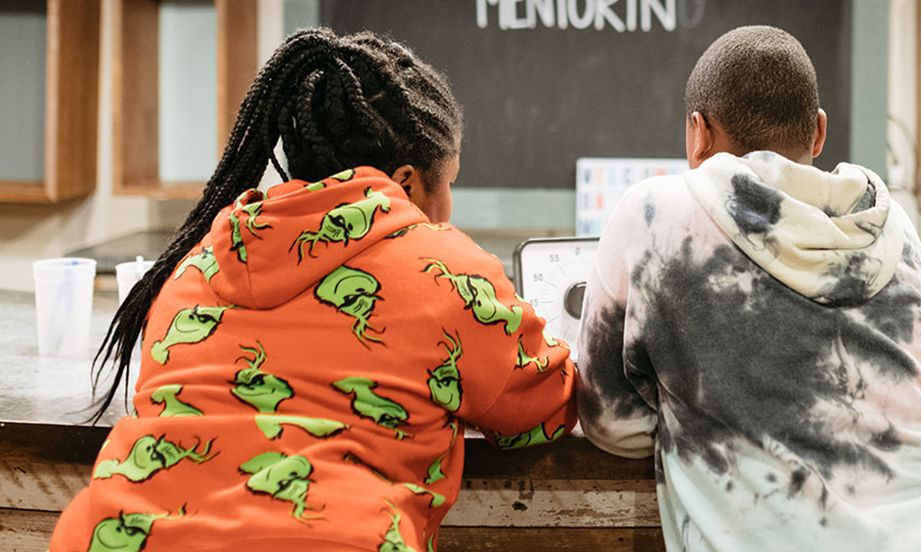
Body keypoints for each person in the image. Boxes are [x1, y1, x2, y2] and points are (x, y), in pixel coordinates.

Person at [52, 28, 575, 552]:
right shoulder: (447, 270)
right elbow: (540, 410)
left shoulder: (195, 264)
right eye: (451, 181)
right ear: (409, 182)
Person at [576, 25, 921, 552]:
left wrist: (699, 419)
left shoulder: (655, 214)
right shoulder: (892, 226)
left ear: (697, 132)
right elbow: (917, 379)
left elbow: (607, 419)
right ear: (817, 132)